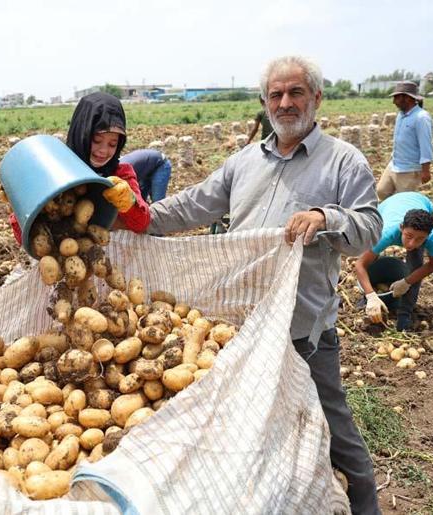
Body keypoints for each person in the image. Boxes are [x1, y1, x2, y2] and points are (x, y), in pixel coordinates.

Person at [146, 55, 382, 515]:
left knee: (334, 430)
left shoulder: (343, 161)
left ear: (316, 97)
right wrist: (136, 219)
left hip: (303, 333)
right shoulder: (243, 164)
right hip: (240, 329)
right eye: (276, 95)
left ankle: (367, 509)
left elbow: (370, 228)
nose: (285, 103)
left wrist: (325, 217)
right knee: (247, 433)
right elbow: (193, 205)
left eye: (296, 93)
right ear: (264, 102)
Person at [9, 92, 150, 241]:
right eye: (96, 140)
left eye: (112, 144)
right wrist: (20, 202)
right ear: (82, 134)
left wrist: (130, 202)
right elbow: (22, 238)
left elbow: (142, 224)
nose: (103, 150)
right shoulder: (55, 169)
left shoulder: (120, 175)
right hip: (57, 251)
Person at [355, 192, 433, 332]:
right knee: (371, 259)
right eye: (408, 236)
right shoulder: (385, 232)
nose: (411, 243)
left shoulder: (431, 238)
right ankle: (367, 299)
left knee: (416, 265)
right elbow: (360, 264)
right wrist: (371, 295)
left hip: (422, 202)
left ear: (427, 235)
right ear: (402, 227)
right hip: (389, 205)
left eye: (420, 239)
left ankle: (405, 314)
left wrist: (407, 281)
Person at [376, 81, 433, 201]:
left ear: (407, 98)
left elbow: (425, 145)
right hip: (395, 164)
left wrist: (425, 170)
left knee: (405, 201)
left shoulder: (421, 117)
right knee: (381, 191)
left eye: (396, 98)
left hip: (409, 169)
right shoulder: (401, 115)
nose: (394, 102)